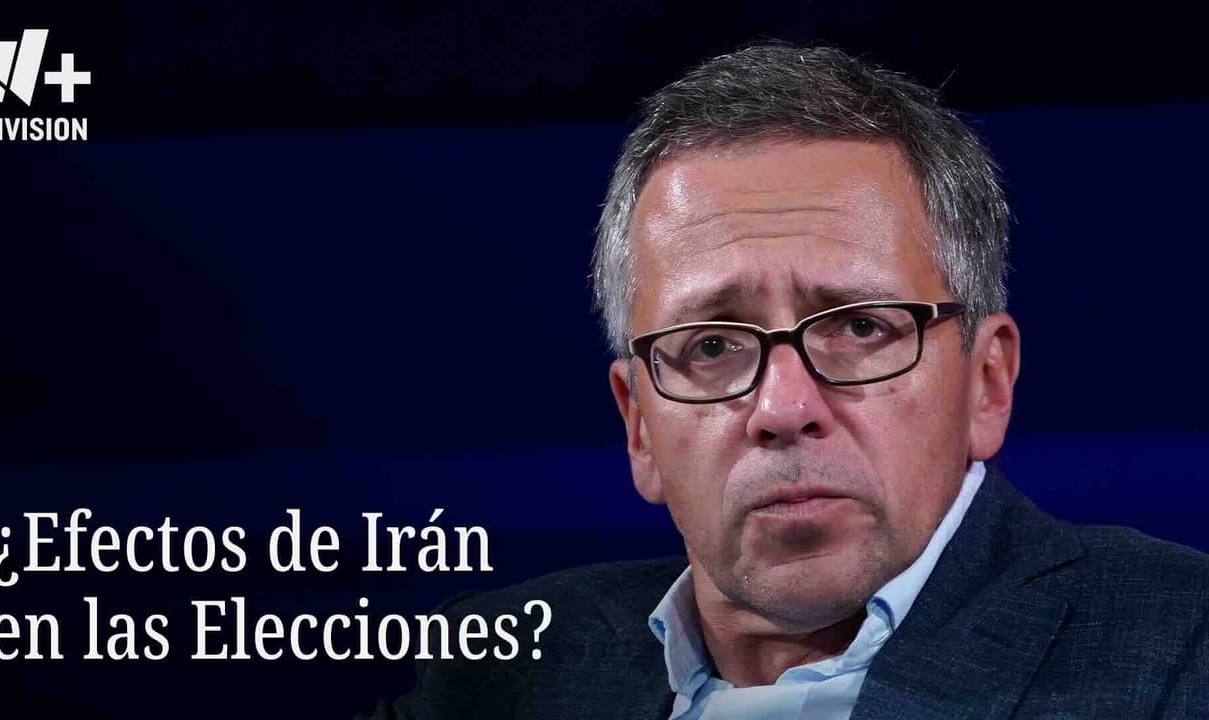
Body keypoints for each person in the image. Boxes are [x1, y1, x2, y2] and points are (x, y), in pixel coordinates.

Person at [364, 42, 1209, 719]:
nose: (782, 408)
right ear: (639, 427)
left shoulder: (1182, 648)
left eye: (861, 327)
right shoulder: (494, 671)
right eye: (711, 345)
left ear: (986, 384)